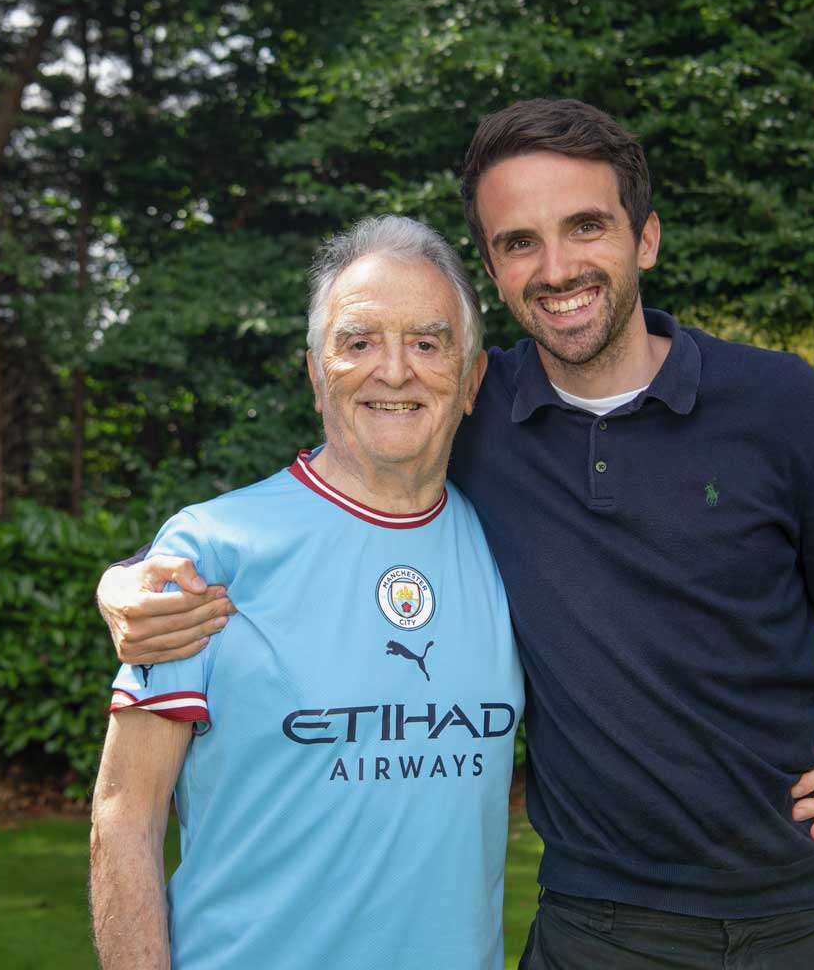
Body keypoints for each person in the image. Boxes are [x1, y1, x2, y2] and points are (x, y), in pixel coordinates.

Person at [101, 99, 814, 968]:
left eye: (585, 227)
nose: (557, 267)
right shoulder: (469, 408)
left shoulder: (782, 406)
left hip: (805, 915)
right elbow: (336, 479)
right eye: (518, 242)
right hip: (597, 927)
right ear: (495, 271)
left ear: (644, 237)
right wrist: (126, 581)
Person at [88, 216, 525, 970]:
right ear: (316, 372)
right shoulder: (210, 552)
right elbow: (125, 816)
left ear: (472, 380)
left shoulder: (511, 553)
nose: (394, 370)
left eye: (428, 342)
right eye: (358, 343)